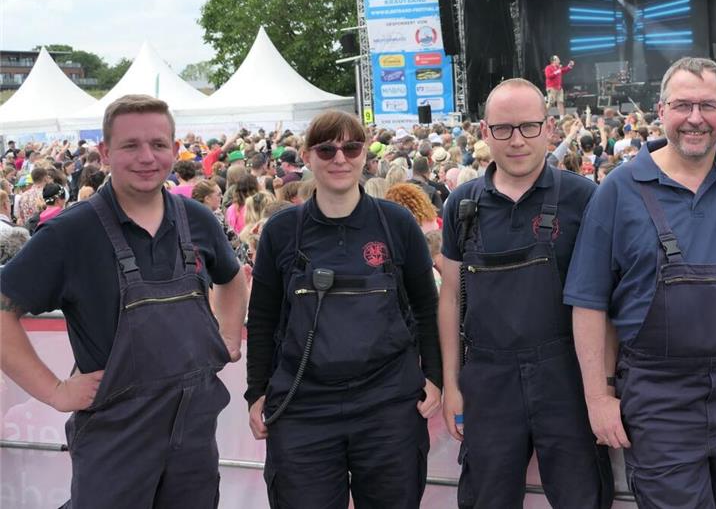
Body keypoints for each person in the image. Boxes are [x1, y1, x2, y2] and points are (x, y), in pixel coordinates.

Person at [565, 58, 716, 508]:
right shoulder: (618, 190)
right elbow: (588, 302)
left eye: (708, 105)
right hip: (658, 396)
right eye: (682, 106)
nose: (695, 118)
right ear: (661, 111)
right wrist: (597, 396)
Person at [0, 94, 247, 508]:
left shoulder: (197, 220)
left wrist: (228, 336)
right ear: (105, 152)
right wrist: (56, 391)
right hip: (116, 439)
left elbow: (234, 278)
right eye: (131, 145)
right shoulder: (70, 234)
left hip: (193, 437)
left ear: (174, 148)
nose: (147, 157)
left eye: (159, 144)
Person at [245, 110, 441, 508]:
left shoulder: (397, 223)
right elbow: (263, 320)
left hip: (388, 405)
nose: (340, 158)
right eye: (327, 148)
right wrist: (256, 392)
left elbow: (426, 309)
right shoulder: (281, 232)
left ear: (365, 153)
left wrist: (434, 377)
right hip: (303, 406)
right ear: (307, 155)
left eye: (351, 147)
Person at [439, 78, 613, 509]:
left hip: (567, 379)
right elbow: (451, 300)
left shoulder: (585, 197)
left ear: (549, 128)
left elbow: (607, 301)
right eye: (503, 128)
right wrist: (451, 383)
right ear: (484, 132)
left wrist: (604, 386)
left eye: (529, 127)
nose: (517, 140)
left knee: (582, 498)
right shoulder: (462, 205)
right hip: (488, 380)